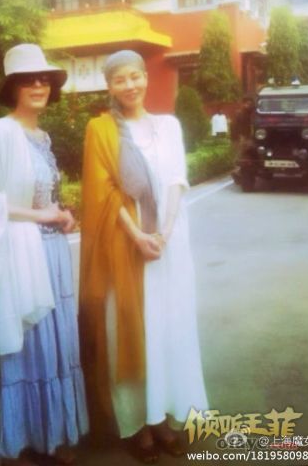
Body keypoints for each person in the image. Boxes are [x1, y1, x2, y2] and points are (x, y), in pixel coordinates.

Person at [79, 50, 208, 463]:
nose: (129, 85)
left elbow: (176, 180)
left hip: (169, 244)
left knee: (167, 329)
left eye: (135, 76)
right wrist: (137, 236)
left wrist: (163, 233)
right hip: (125, 246)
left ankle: (163, 418)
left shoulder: (168, 126)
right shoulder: (100, 129)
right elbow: (102, 192)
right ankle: (138, 425)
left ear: (146, 78)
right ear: (109, 86)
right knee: (129, 332)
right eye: (119, 79)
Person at [0, 44, 88, 466]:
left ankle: (53, 435)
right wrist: (42, 215)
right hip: (21, 256)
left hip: (52, 255)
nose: (39, 85)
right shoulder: (2, 132)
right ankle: (20, 440)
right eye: (28, 80)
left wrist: (60, 214)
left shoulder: (42, 137)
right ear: (13, 88)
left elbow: (41, 198)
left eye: (44, 79)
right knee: (27, 345)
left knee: (55, 345)